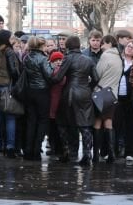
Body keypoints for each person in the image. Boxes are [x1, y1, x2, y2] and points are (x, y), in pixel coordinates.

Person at [53, 36, 99, 166]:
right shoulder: (88, 60)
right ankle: (87, 154)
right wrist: (87, 87)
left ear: (68, 46)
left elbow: (58, 77)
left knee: (63, 123)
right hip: (85, 92)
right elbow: (96, 78)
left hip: (70, 93)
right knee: (85, 125)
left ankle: (67, 152)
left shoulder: (68, 58)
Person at [0, 29, 21, 158]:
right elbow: (14, 71)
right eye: (11, 38)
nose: (12, 40)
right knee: (10, 118)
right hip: (6, 87)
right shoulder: (8, 51)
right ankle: (10, 147)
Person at [92, 35, 123, 164]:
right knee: (109, 123)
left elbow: (97, 74)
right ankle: (111, 154)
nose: (101, 46)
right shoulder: (119, 57)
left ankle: (95, 155)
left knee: (97, 123)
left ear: (109, 43)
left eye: (103, 44)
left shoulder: (105, 56)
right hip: (113, 94)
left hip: (101, 92)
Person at [22, 36, 54, 160]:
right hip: (42, 92)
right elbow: (49, 75)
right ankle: (36, 149)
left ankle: (28, 149)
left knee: (31, 121)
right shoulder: (43, 59)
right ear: (41, 46)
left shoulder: (27, 57)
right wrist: (52, 67)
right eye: (45, 45)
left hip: (29, 91)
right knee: (43, 121)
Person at [114, 39, 133, 161]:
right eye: (128, 46)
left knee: (130, 126)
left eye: (132, 47)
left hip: (130, 98)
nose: (129, 48)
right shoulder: (119, 60)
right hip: (117, 96)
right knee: (116, 125)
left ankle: (130, 152)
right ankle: (115, 150)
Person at [47, 51, 65, 156]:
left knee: (54, 126)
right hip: (54, 100)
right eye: (56, 60)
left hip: (57, 100)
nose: (58, 62)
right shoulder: (55, 71)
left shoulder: (57, 71)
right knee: (54, 126)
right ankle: (57, 148)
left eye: (60, 60)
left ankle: (56, 148)